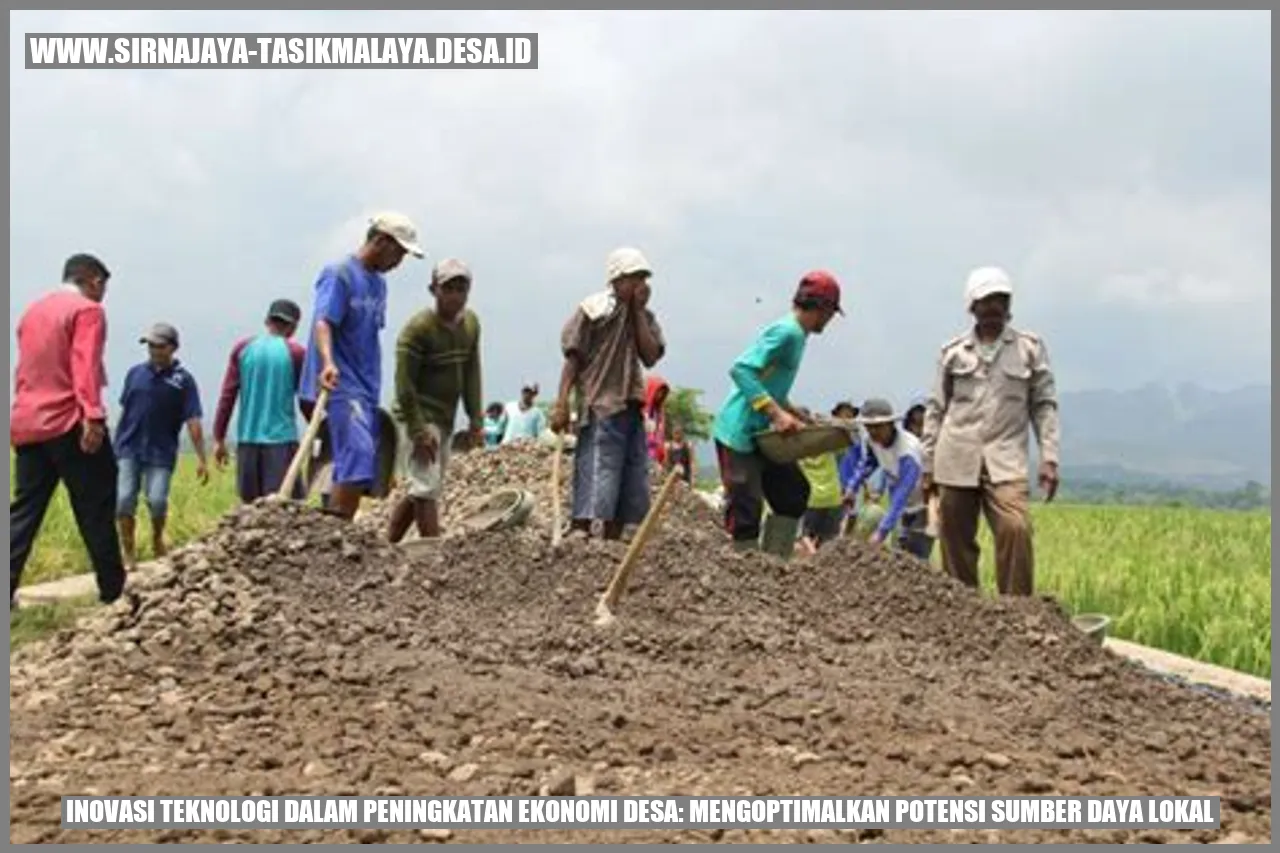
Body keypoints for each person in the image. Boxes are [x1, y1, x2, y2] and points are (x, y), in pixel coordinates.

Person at [921, 266, 1061, 596]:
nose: (993, 308)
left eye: (1000, 300)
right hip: (956, 458)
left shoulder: (1029, 349)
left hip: (1005, 459)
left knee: (1015, 528)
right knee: (955, 540)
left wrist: (1049, 457)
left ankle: (1017, 612)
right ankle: (964, 613)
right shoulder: (953, 352)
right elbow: (936, 409)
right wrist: (927, 465)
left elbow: (1044, 404)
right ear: (972, 306)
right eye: (986, 301)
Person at [10, 254, 132, 610]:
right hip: (69, 422)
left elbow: (25, 368)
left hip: (29, 422)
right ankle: (114, 592)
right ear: (93, 281)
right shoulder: (86, 311)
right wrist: (92, 416)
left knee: (24, 512)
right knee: (96, 504)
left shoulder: (33, 311)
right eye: (103, 287)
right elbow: (85, 364)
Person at [299, 211, 425, 520]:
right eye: (399, 253)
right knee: (358, 452)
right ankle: (337, 529)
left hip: (366, 384)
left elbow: (369, 334)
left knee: (357, 461)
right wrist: (327, 363)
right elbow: (324, 323)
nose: (400, 262)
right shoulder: (339, 274)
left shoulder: (379, 284)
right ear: (381, 242)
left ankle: (338, 529)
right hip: (340, 380)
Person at [710, 271, 843, 557]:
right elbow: (742, 370)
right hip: (738, 434)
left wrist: (796, 414)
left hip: (762, 435)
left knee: (793, 493)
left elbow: (772, 384)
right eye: (831, 312)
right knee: (745, 509)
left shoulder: (798, 336)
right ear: (822, 308)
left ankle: (774, 567)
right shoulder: (788, 332)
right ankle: (743, 574)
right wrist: (777, 414)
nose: (830, 320)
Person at [549, 247, 666, 541]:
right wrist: (562, 402)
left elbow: (650, 356)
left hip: (630, 404)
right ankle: (582, 528)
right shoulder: (594, 310)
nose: (641, 286)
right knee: (597, 467)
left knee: (630, 473)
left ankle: (613, 537)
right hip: (600, 401)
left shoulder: (644, 318)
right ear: (617, 280)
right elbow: (573, 358)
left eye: (643, 279)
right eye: (634, 278)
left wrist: (638, 312)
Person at [387, 258, 484, 543]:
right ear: (434, 290)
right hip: (417, 413)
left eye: (461, 288)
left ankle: (389, 544)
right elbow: (404, 385)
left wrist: (475, 417)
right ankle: (434, 551)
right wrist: (418, 429)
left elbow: (471, 371)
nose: (455, 295)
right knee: (426, 487)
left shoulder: (471, 324)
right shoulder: (418, 330)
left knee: (424, 486)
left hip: (445, 416)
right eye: (448, 289)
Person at [113, 322, 209, 566]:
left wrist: (201, 458)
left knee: (156, 500)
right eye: (151, 345)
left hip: (160, 451)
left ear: (173, 348)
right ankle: (128, 551)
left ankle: (157, 538)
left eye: (159, 345)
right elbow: (126, 411)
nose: (154, 350)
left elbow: (193, 419)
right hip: (129, 447)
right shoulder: (135, 373)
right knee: (124, 499)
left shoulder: (183, 381)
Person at [212, 299, 307, 503]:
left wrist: (219, 437)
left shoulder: (243, 349)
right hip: (281, 440)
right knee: (283, 505)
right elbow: (306, 400)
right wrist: (320, 430)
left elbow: (227, 395)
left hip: (248, 440)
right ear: (293, 327)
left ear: (267, 321)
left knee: (250, 506)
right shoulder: (296, 353)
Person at [844, 398, 925, 553]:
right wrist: (851, 488)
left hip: (922, 506)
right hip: (901, 507)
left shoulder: (908, 451)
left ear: (890, 424)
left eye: (878, 427)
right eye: (869, 428)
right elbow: (867, 463)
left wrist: (881, 532)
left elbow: (903, 492)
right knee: (898, 550)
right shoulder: (872, 440)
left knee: (915, 556)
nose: (873, 432)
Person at [897, 395, 935, 559]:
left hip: (925, 505)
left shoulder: (934, 446)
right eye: (915, 424)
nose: (918, 429)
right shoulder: (903, 445)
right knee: (899, 551)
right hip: (903, 505)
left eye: (923, 424)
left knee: (919, 553)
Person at [643, 375, 671, 465]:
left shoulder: (659, 413)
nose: (660, 395)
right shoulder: (642, 410)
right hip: (641, 451)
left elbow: (660, 433)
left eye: (663, 393)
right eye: (658, 392)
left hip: (654, 454)